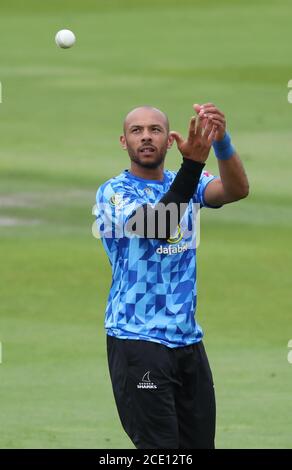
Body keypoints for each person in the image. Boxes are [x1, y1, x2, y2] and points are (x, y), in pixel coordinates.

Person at [94, 103, 249, 449]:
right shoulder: (114, 193)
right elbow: (160, 225)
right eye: (137, 131)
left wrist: (221, 143)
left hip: (187, 342)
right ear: (124, 141)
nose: (146, 137)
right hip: (137, 341)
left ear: (169, 141)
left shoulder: (186, 183)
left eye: (155, 130)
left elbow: (236, 190)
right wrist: (193, 164)